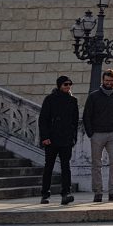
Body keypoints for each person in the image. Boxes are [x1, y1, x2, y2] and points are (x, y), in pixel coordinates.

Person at [82, 68, 113, 202]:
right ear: (103, 80)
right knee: (97, 164)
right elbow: (86, 116)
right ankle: (98, 192)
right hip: (97, 134)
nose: (108, 83)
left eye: (111, 81)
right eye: (106, 80)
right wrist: (91, 133)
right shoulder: (94, 96)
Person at [37, 75, 79, 205]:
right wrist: (45, 137)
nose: (68, 86)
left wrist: (73, 138)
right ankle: (45, 194)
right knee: (48, 166)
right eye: (65, 84)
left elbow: (75, 122)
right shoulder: (50, 99)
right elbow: (43, 119)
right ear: (59, 85)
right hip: (52, 138)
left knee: (66, 166)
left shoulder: (73, 101)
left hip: (66, 139)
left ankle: (66, 193)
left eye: (69, 84)